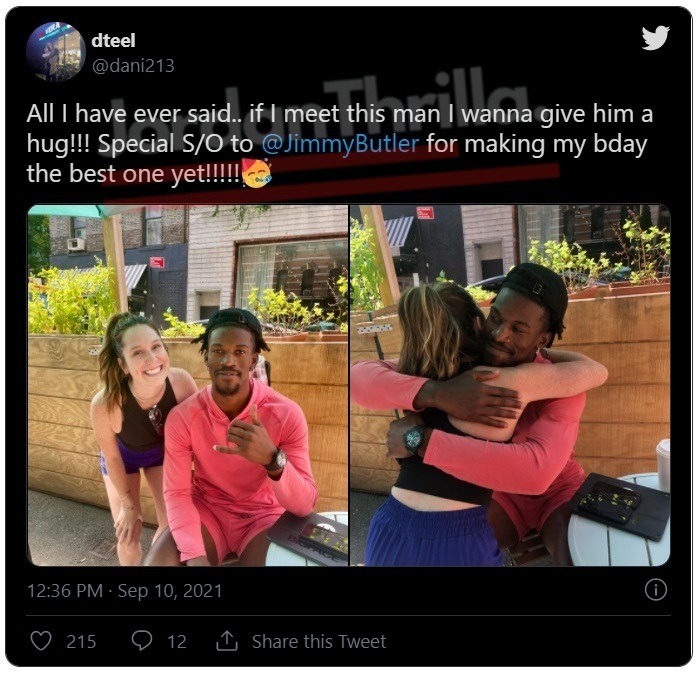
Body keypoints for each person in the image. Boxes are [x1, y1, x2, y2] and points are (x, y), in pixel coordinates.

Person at [351, 263, 600, 566]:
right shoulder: (461, 360)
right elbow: (361, 376)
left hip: (555, 488)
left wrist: (421, 441)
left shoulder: (560, 382)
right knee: (450, 539)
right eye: (495, 316)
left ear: (543, 338)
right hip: (501, 494)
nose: (498, 334)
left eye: (518, 329)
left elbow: (535, 473)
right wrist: (439, 393)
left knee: (578, 555)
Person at [144, 308, 318, 567]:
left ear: (253, 359)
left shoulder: (286, 413)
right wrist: (195, 556)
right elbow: (178, 492)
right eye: (218, 351)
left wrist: (273, 459)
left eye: (239, 351)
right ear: (206, 357)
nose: (228, 361)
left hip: (264, 516)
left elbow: (305, 505)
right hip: (207, 511)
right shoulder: (184, 416)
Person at [90, 313, 198, 566]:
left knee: (171, 526)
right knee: (129, 534)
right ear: (123, 364)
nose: (151, 359)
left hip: (160, 456)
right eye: (137, 353)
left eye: (156, 346)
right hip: (122, 460)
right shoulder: (106, 404)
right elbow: (113, 457)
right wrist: (128, 507)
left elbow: (198, 435)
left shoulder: (181, 383)